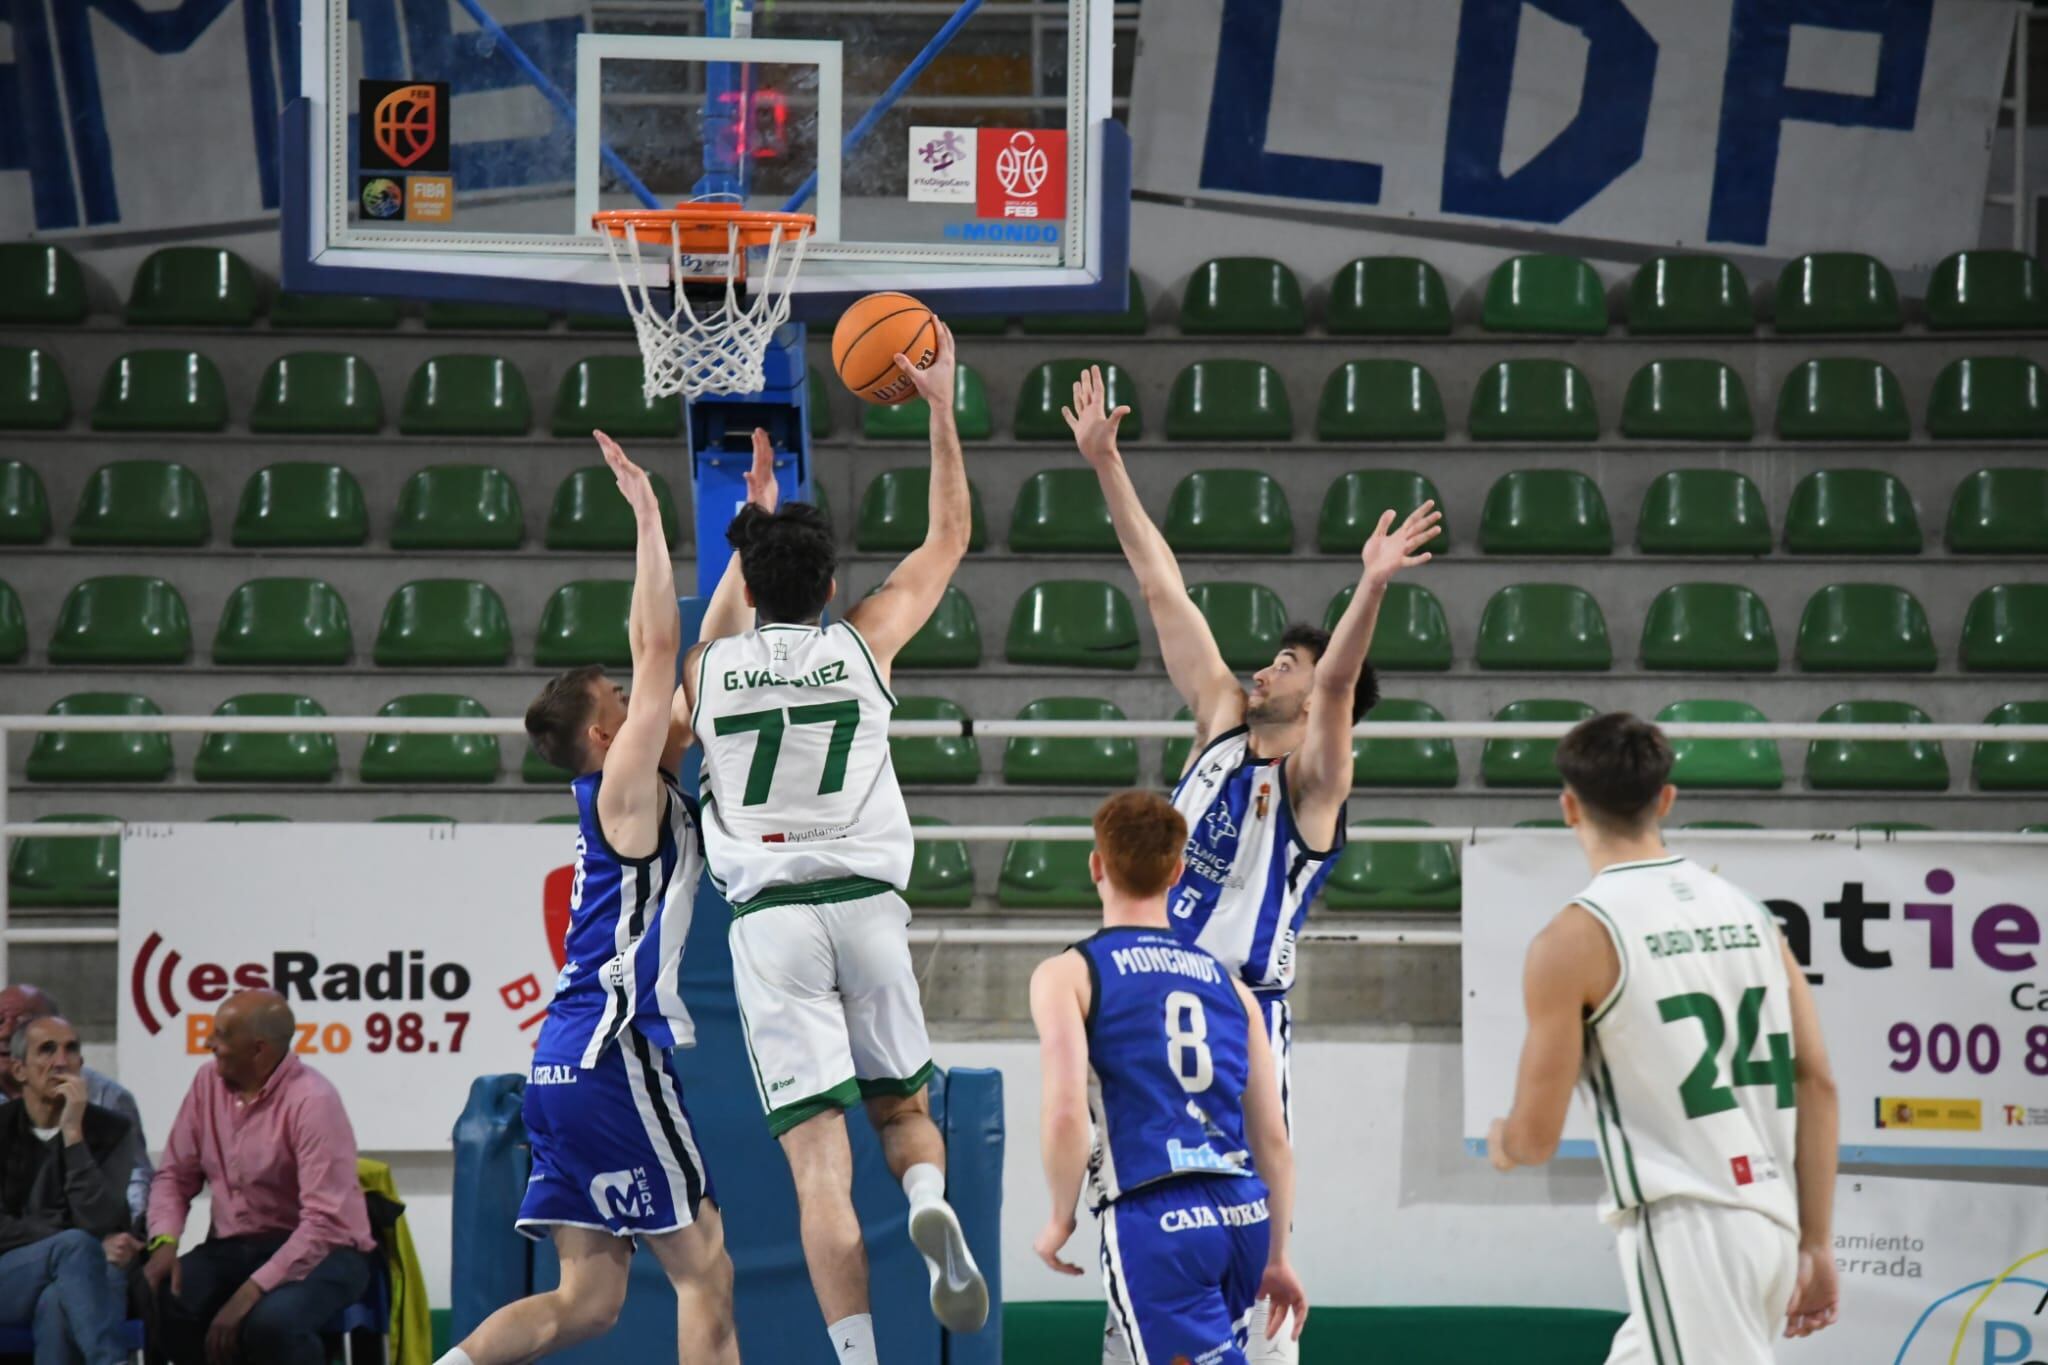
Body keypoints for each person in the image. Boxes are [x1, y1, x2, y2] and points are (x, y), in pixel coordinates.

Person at [1063, 364, 1438, 1357]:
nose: (1267, 663)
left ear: (1322, 701)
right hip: (1145, 991)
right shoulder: (1220, 722)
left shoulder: (1317, 781)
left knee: (1246, 1251)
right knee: (1132, 1232)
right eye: (1274, 656)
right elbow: (1158, 583)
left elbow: (1342, 677)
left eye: (1290, 662)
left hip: (1240, 1013)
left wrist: (1368, 584)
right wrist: (1105, 465)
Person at [679, 322, 987, 1361]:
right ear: (827, 585)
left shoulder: (708, 669)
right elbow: (947, 540)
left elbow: (716, 624)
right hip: (866, 909)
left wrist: (746, 521)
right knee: (903, 1114)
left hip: (769, 923)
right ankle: (931, 1194)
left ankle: (854, 1355)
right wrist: (940, 410)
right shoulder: (863, 642)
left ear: (752, 582)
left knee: (819, 1168)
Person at [436, 428, 776, 1365]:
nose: (640, 693)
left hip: (561, 1061)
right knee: (706, 1268)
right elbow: (662, 638)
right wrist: (648, 513)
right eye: (621, 693)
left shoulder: (635, 780)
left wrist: (756, 534)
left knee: (585, 1302)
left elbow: (705, 654)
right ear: (600, 728)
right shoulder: (622, 790)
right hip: (611, 1053)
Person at [1487, 713, 1842, 1362]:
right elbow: (1817, 1078)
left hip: (1691, 1222)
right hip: (1771, 1218)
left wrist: (1503, 1142)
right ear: (1666, 798)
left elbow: (1535, 1136)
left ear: (1569, 807)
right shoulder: (1750, 911)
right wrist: (1817, 1239)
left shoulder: (1575, 937)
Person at [1029, 791, 1306, 1365]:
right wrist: (1277, 1256)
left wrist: (1061, 1216)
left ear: (1096, 865)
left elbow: (1064, 1113)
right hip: (1242, 1214)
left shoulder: (1069, 973)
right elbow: (1273, 1139)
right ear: (1178, 873)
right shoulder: (1232, 988)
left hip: (1157, 1214)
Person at [145, 989, 378, 1365]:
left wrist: (249, 1292)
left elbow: (322, 1223)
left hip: (326, 1251)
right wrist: (166, 1239)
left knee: (271, 1324)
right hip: (234, 1246)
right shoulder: (206, 1084)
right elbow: (175, 1175)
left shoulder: (313, 1101)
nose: (209, 1043)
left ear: (259, 1050)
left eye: (222, 1035)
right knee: (165, 1300)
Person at [0, 1015, 143, 1365]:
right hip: (9, 1277)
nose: (61, 1061)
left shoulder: (111, 1130)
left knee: (57, 1305)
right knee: (76, 1249)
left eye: (71, 1050)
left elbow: (103, 1218)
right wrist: (68, 1243)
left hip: (83, 1272)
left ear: (81, 1064)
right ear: (19, 1071)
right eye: (47, 1050)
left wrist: (74, 1135)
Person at [0, 985, 152, 1224]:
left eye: (21, 1022)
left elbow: (130, 1185)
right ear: (20, 1068)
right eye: (0, 1021)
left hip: (93, 1240)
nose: (6, 1033)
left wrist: (73, 1133)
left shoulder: (108, 1100)